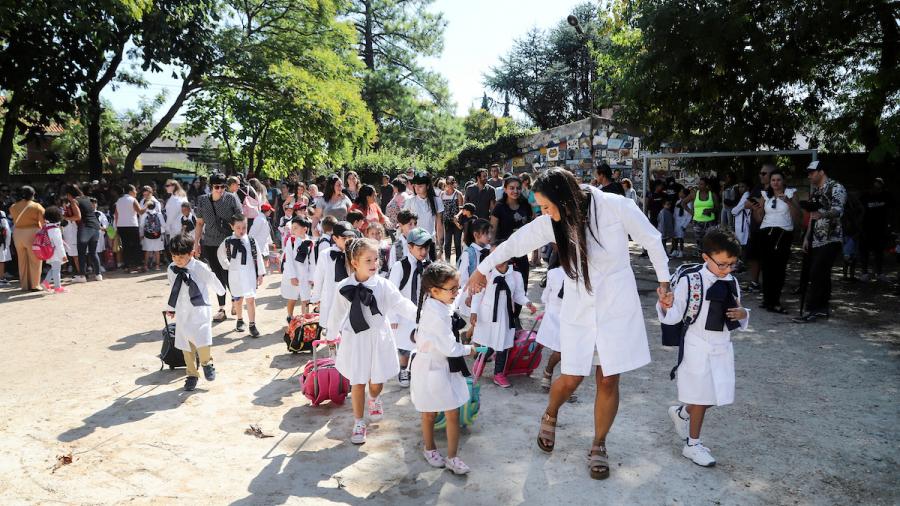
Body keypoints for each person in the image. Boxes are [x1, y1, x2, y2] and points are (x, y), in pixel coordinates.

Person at [465, 168, 670, 480]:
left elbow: (651, 238)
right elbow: (517, 241)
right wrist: (482, 268)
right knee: (572, 376)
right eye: (541, 209)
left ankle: (599, 444)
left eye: (546, 206)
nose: (544, 213)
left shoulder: (615, 206)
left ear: (564, 198)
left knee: (609, 378)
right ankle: (551, 412)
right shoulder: (554, 220)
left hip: (616, 304)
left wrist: (665, 282)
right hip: (580, 306)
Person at [659, 229, 749, 467]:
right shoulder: (691, 281)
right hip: (697, 345)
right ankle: (693, 444)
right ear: (706, 257)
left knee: (717, 394)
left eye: (732, 264)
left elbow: (738, 310)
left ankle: (681, 413)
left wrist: (743, 314)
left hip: (722, 345)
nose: (727, 269)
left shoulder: (732, 281)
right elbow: (675, 314)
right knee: (701, 397)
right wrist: (666, 305)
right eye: (722, 264)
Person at [326, 238, 418, 445]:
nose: (374, 264)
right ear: (355, 262)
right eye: (368, 260)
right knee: (357, 382)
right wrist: (331, 334)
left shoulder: (384, 285)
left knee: (376, 383)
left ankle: (374, 398)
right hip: (355, 340)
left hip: (379, 338)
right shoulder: (344, 286)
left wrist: (420, 315)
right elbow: (336, 313)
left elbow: (401, 304)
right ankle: (358, 422)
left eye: (376, 259)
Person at [410, 262, 478, 475]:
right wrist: (469, 349)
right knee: (433, 411)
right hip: (434, 367)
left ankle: (451, 456)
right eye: (453, 289)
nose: (456, 292)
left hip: (439, 366)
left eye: (458, 287)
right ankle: (431, 449)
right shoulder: (436, 313)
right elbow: (450, 347)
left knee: (450, 411)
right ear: (435, 291)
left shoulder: (436, 301)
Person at [165, 233, 227, 391]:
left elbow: (212, 279)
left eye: (181, 257)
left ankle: (207, 363)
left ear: (191, 253)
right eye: (174, 256)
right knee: (186, 346)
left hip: (200, 311)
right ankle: (192, 374)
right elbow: (174, 289)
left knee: (203, 341)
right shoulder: (172, 269)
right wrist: (171, 308)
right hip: (182, 312)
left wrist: (221, 291)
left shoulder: (199, 267)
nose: (177, 260)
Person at [470, 246, 537, 388]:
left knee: (503, 345)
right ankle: (480, 361)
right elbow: (478, 295)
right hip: (488, 314)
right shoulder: (486, 274)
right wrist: (474, 312)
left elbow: (518, 294)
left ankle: (498, 374)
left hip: (505, 315)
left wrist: (528, 303)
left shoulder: (515, 275)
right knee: (488, 343)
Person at [794, 161, 847, 323]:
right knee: (821, 273)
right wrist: (807, 236)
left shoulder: (836, 187)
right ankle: (822, 308)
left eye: (812, 172)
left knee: (816, 272)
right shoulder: (816, 191)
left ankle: (812, 309)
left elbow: (839, 210)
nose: (809, 175)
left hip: (831, 238)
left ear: (821, 172)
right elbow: (812, 215)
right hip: (815, 238)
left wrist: (822, 214)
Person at [193, 173, 243, 322]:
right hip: (210, 243)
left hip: (228, 243)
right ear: (211, 187)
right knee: (217, 276)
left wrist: (240, 237)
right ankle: (221, 309)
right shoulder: (202, 200)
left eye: (223, 187)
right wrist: (196, 243)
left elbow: (240, 219)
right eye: (217, 187)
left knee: (229, 275)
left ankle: (235, 302)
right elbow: (200, 223)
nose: (220, 190)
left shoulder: (231, 198)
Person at [387, 228, 433, 387]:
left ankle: (418, 370)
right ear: (410, 247)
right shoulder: (401, 267)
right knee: (404, 346)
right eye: (420, 248)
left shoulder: (429, 266)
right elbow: (391, 292)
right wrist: (392, 317)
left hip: (423, 313)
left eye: (426, 248)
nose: (423, 251)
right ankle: (403, 369)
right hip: (403, 315)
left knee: (422, 345)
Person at [753, 170, 800, 313]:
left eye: (778, 180)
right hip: (766, 232)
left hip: (783, 233)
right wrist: (756, 210)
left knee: (779, 268)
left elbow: (797, 216)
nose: (775, 183)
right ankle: (768, 300)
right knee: (767, 267)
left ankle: (775, 300)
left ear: (783, 181)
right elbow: (759, 219)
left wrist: (788, 201)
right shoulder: (765, 195)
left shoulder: (791, 193)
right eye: (773, 180)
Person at [217, 212, 266, 337]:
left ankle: (252, 324)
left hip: (249, 274)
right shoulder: (228, 241)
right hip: (235, 275)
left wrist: (260, 273)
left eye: (244, 227)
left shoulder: (251, 241)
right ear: (232, 226)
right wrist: (227, 266)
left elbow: (258, 257)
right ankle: (239, 319)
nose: (241, 230)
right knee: (238, 299)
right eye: (238, 227)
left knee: (250, 299)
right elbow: (220, 254)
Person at [311, 221, 357, 334]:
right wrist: (316, 297)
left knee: (349, 324)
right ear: (335, 238)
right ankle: (332, 346)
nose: (349, 240)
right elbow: (319, 277)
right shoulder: (325, 254)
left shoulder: (356, 253)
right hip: (331, 294)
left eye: (351, 237)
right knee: (332, 323)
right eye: (345, 237)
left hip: (351, 294)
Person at [490, 175, 534, 289]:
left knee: (521, 286)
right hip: (504, 252)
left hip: (521, 252)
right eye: (511, 188)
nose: (515, 191)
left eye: (518, 188)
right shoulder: (499, 207)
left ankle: (518, 307)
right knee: (507, 289)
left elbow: (531, 226)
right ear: (505, 189)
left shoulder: (526, 205)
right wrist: (492, 252)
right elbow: (493, 230)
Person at [744, 164, 774, 292]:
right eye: (760, 173)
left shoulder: (777, 188)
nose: (761, 176)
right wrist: (760, 202)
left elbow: (772, 206)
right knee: (754, 257)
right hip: (756, 228)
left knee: (769, 259)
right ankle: (755, 283)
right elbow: (746, 203)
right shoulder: (758, 188)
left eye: (764, 173)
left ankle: (769, 285)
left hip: (771, 229)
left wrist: (757, 202)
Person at [10, 186, 46, 291]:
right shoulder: (37, 206)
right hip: (32, 233)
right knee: (35, 260)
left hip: (17, 234)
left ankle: (25, 285)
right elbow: (42, 222)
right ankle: (35, 285)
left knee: (22, 260)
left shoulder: (13, 207)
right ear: (33, 194)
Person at [536, 262, 565, 392]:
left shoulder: (582, 273)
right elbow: (545, 297)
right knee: (561, 350)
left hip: (576, 316)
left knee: (570, 351)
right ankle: (549, 370)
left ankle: (566, 384)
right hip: (557, 318)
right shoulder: (554, 273)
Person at [859, 177, 894, 282]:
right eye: (875, 184)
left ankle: (879, 273)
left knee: (879, 252)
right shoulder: (865, 196)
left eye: (879, 184)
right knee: (864, 251)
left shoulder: (886, 196)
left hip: (880, 229)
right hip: (866, 228)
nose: (877, 186)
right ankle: (864, 273)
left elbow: (892, 207)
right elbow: (859, 210)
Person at [65, 185, 102, 282]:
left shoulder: (74, 201)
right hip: (95, 226)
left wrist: (65, 218)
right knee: (93, 252)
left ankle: (82, 276)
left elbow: (78, 217)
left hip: (85, 228)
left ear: (69, 195)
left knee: (81, 253)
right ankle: (98, 275)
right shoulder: (86, 198)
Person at [403, 172, 443, 260]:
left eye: (420, 186)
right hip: (415, 243)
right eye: (415, 185)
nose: (417, 188)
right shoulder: (410, 201)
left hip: (430, 241)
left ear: (428, 186)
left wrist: (440, 247)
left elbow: (439, 225)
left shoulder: (437, 201)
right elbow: (404, 224)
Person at [281, 216, 315, 321]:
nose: (292, 230)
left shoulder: (310, 242)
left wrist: (312, 276)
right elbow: (289, 260)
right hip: (294, 274)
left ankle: (305, 320)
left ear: (304, 228)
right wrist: (292, 276)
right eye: (292, 227)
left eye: (295, 228)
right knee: (293, 298)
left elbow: (312, 261)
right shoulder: (291, 241)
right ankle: (290, 316)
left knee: (305, 299)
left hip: (305, 274)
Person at [114, 184, 144, 272]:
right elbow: (140, 211)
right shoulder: (133, 200)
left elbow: (116, 214)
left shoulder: (119, 200)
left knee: (126, 246)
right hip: (132, 225)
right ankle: (138, 265)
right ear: (130, 191)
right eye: (135, 190)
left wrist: (116, 226)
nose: (136, 192)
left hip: (121, 226)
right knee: (136, 245)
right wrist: (147, 205)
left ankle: (127, 265)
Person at [39, 206, 68, 293]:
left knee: (54, 268)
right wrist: (63, 255)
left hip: (48, 252)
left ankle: (46, 282)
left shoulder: (46, 227)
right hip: (56, 253)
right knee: (56, 270)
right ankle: (57, 287)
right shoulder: (55, 229)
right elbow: (59, 244)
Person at [439, 176, 464, 262]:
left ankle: (458, 262)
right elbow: (440, 210)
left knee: (457, 244)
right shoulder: (442, 194)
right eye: (448, 183)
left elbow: (461, 209)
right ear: (446, 183)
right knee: (447, 244)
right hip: (446, 222)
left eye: (452, 182)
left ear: (454, 183)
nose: (450, 185)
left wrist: (457, 216)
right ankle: (447, 262)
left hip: (456, 222)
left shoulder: (458, 194)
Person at [139, 200, 165, 271]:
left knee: (147, 250)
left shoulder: (144, 214)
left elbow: (141, 225)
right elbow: (163, 225)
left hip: (148, 235)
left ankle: (146, 266)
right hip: (157, 235)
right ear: (155, 206)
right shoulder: (159, 214)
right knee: (157, 251)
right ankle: (157, 266)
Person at [672, 189, 692, 258]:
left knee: (681, 238)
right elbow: (675, 212)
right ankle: (675, 250)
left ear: (685, 195)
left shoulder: (688, 203)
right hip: (676, 221)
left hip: (682, 222)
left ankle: (681, 251)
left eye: (681, 192)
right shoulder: (678, 202)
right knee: (675, 237)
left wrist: (685, 225)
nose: (679, 193)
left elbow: (689, 215)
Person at [0, 210, 10, 286]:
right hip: (1, 242)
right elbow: (7, 231)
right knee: (1, 260)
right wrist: (7, 244)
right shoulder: (2, 215)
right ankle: (1, 278)